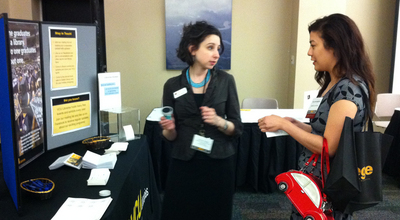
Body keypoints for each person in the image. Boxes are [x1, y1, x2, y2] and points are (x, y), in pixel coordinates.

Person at [258, 13, 376, 220]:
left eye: (314, 45)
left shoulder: (347, 90)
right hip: (315, 181)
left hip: (329, 185)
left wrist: (286, 127)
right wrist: (298, 125)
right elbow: (323, 129)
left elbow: (328, 147)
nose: (308, 52)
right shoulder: (333, 83)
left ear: (335, 47)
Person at [159, 21, 243, 220]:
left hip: (219, 161)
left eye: (218, 49)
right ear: (193, 49)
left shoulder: (226, 81)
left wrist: (218, 121)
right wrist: (169, 129)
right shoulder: (172, 85)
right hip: (185, 161)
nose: (217, 54)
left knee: (216, 213)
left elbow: (237, 128)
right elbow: (169, 137)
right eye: (210, 48)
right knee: (180, 213)